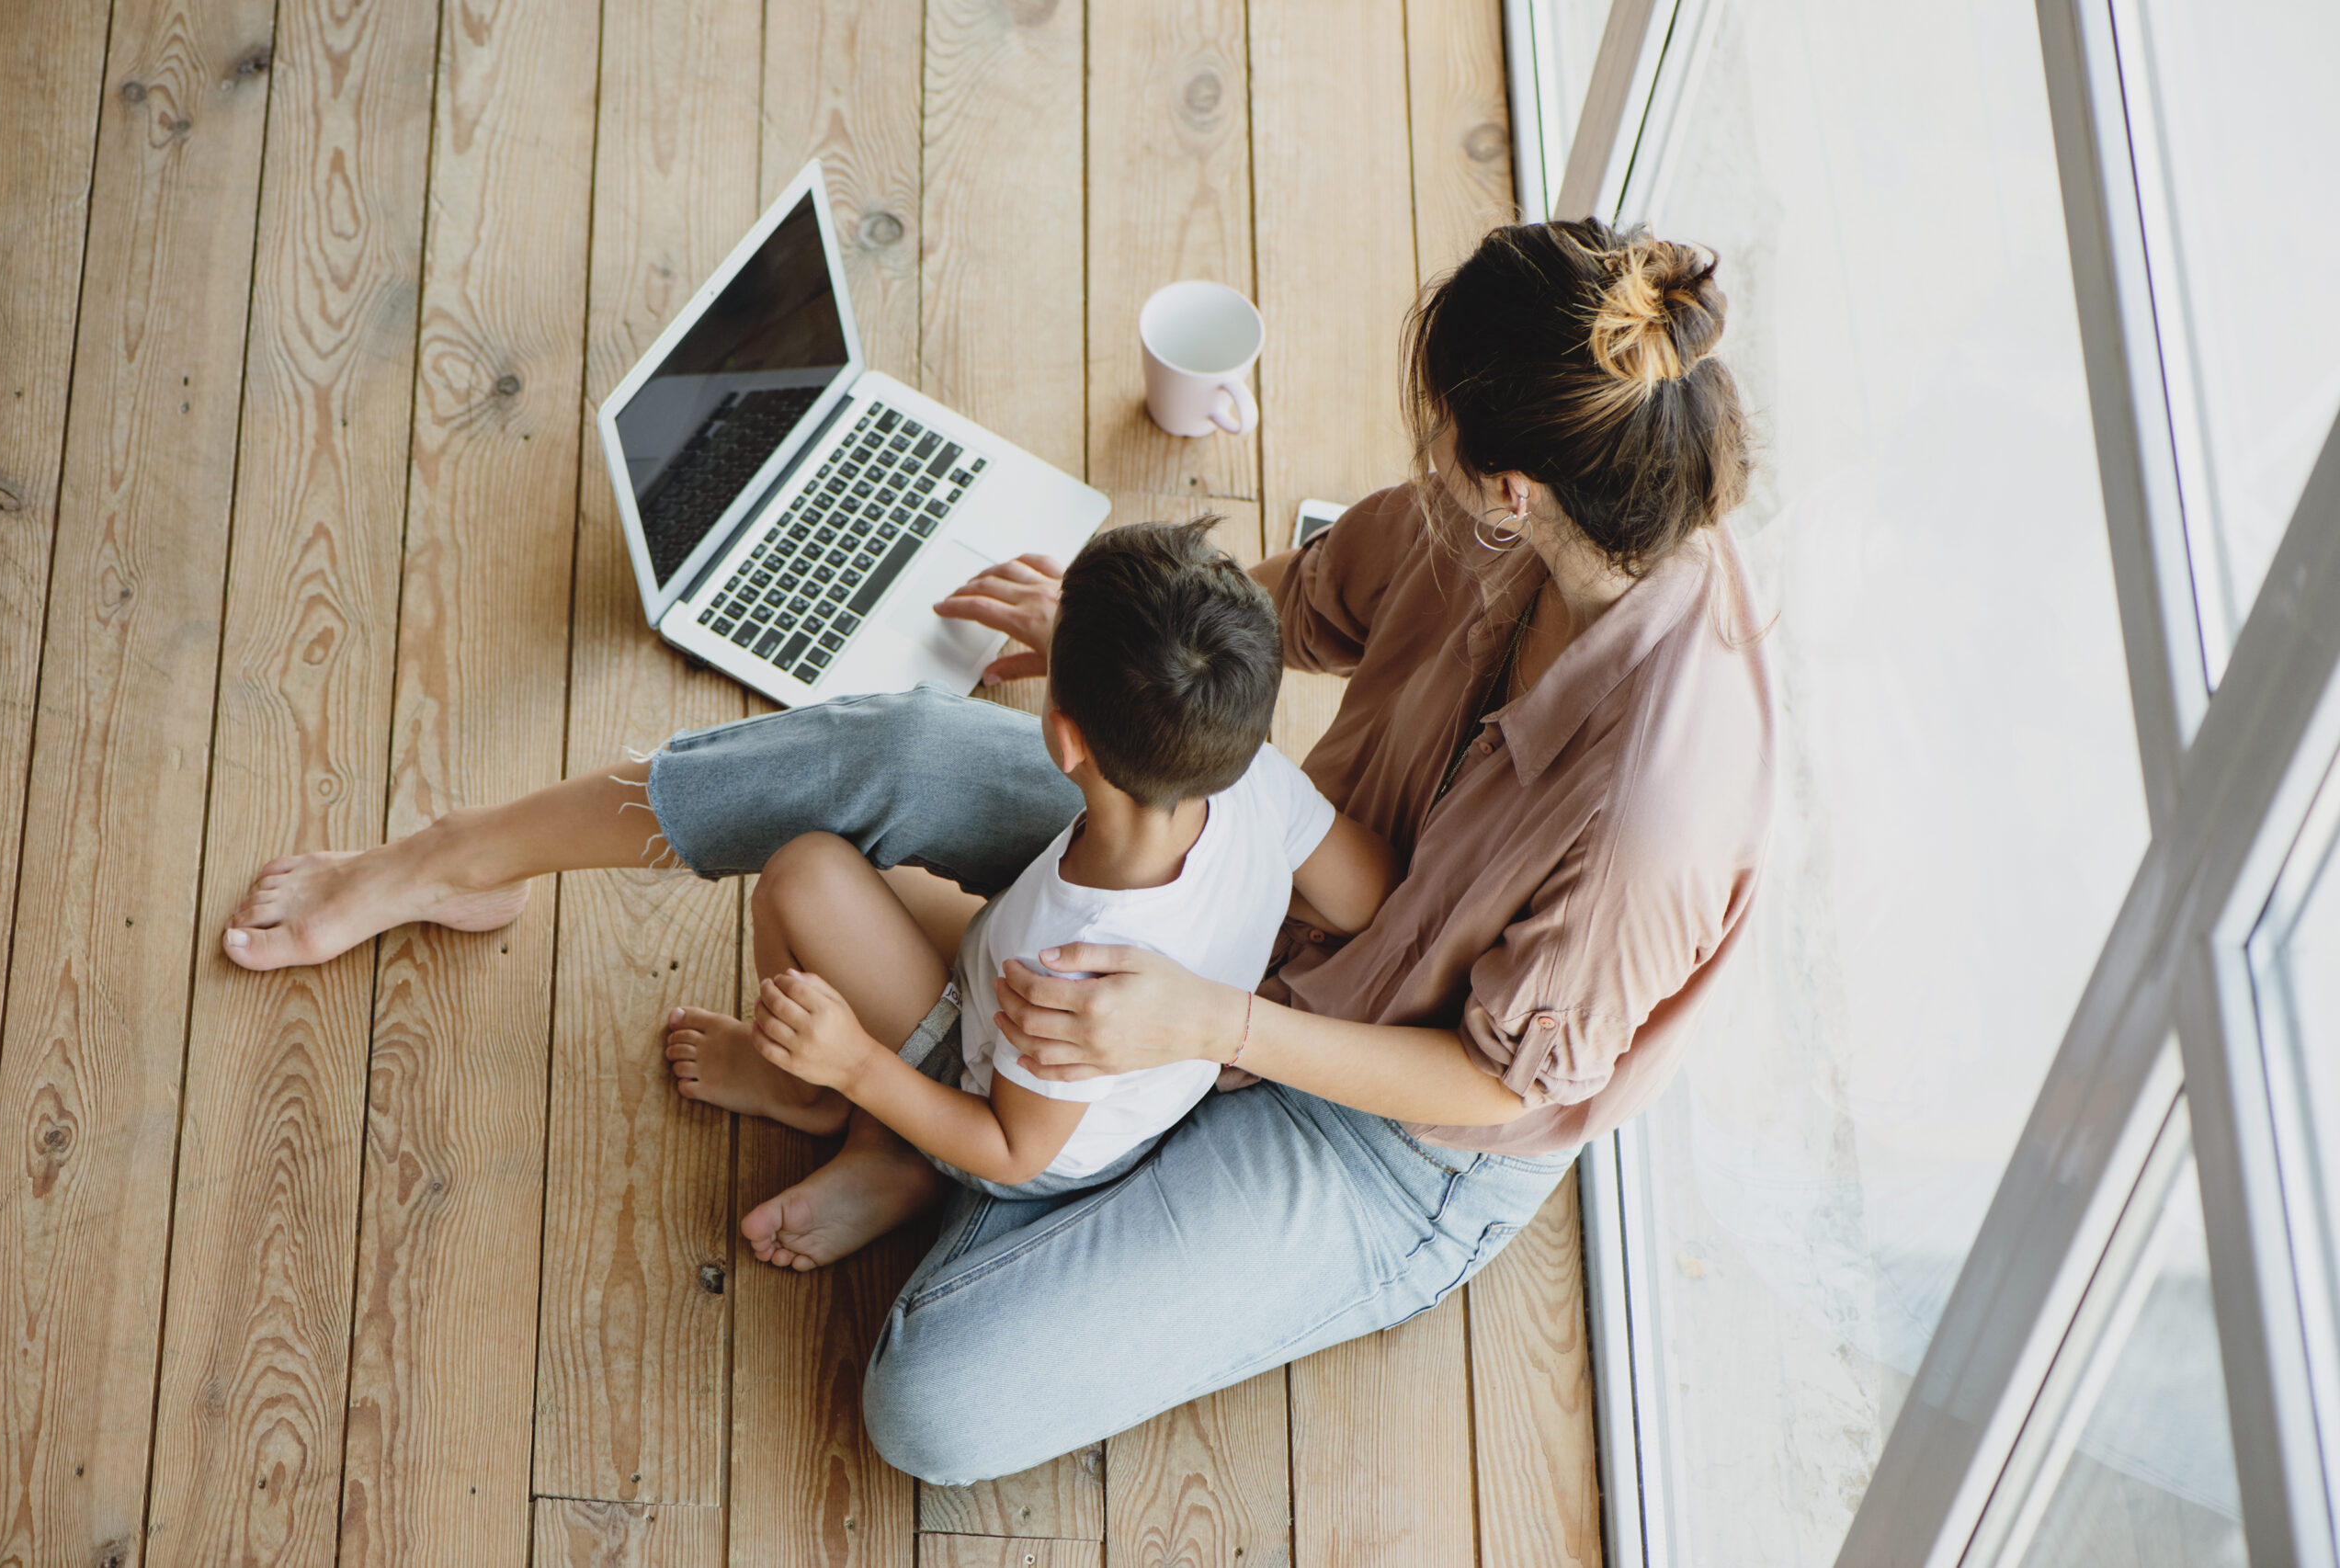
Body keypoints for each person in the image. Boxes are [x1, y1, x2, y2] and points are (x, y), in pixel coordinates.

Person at [220, 217, 1773, 1486]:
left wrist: (1206, 1024)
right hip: (1271, 868)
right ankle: (449, 855)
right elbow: (1311, 602)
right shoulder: (1498, 520)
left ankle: (913, 1131)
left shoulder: (1654, 804)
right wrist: (1118, 628)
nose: (1421, 456)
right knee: (882, 749)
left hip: (1397, 1134)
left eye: (1440, 442)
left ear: (1517, 490)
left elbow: (1501, 1088)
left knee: (935, 1401)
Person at [713, 519, 1395, 1262]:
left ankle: (815, 1099)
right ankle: (890, 1149)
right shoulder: (1255, 776)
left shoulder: (1069, 962)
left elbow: (1013, 1150)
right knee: (871, 879)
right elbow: (1370, 895)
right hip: (1079, 1071)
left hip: (1007, 1122)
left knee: (804, 874)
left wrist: (856, 1065)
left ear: (1068, 742)